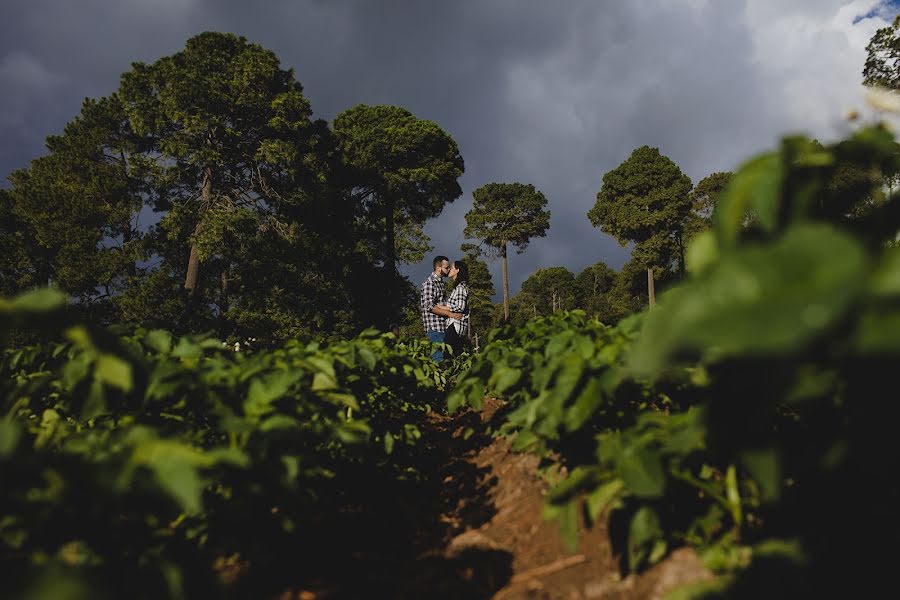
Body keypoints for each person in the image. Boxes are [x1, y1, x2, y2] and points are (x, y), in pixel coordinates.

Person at [420, 255, 462, 362]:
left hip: (443, 328)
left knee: (447, 359)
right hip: (435, 329)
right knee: (438, 359)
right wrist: (450, 314)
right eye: (447, 267)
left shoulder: (440, 283)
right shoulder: (429, 283)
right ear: (439, 268)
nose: (448, 269)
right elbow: (428, 305)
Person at [443, 260, 470, 358]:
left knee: (447, 355)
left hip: (455, 326)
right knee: (455, 355)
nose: (449, 269)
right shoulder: (459, 287)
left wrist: (443, 307)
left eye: (452, 267)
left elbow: (460, 306)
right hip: (456, 326)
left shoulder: (460, 287)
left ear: (457, 270)